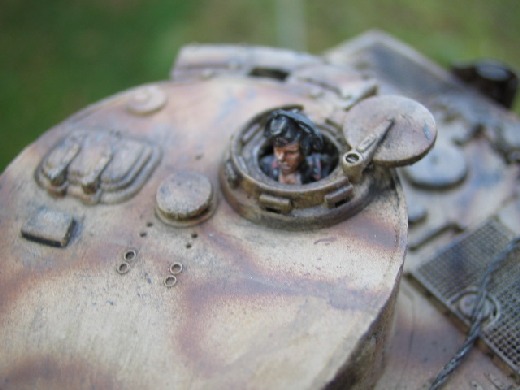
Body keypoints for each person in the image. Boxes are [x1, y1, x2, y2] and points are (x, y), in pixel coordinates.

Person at [260, 109, 332, 185]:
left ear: (304, 152)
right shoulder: (266, 165)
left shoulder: (321, 167)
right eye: (277, 150)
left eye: (290, 152)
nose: (280, 158)